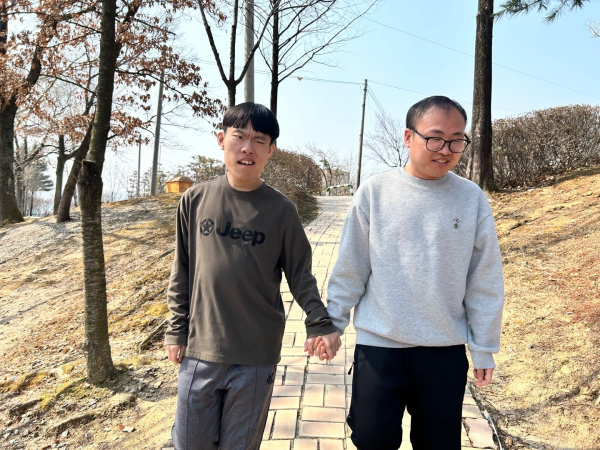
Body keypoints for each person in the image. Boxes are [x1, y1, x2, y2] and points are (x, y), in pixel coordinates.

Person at [321, 96, 505, 449]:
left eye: (456, 140)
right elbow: (351, 266)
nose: (445, 150)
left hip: (444, 349)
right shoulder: (375, 192)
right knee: (371, 439)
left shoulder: (471, 198)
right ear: (408, 137)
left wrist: (483, 347)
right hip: (379, 345)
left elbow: (483, 279)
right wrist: (333, 323)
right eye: (435, 138)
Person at [164, 102, 341, 450]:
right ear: (221, 140)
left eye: (259, 140)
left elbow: (301, 275)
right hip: (201, 347)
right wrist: (176, 329)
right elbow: (181, 270)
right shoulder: (195, 200)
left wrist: (319, 322)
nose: (248, 148)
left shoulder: (282, 210)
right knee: (189, 442)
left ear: (271, 149)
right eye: (239, 137)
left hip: (256, 354)